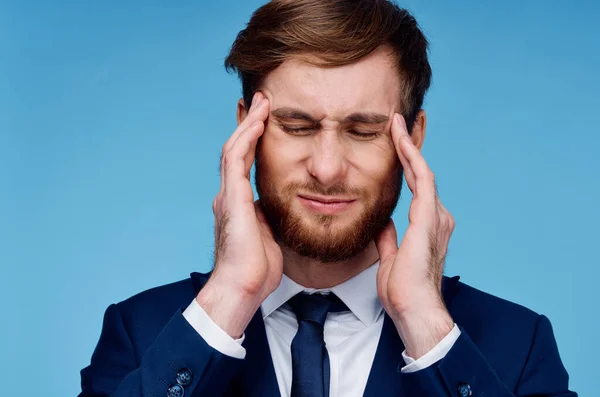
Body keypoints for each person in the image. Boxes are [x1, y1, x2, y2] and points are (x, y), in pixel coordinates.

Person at [79, 1, 576, 396]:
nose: (327, 167)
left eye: (363, 131)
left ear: (414, 138)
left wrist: (425, 323)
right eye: (296, 127)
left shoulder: (517, 343)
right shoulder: (141, 332)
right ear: (245, 130)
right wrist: (228, 299)